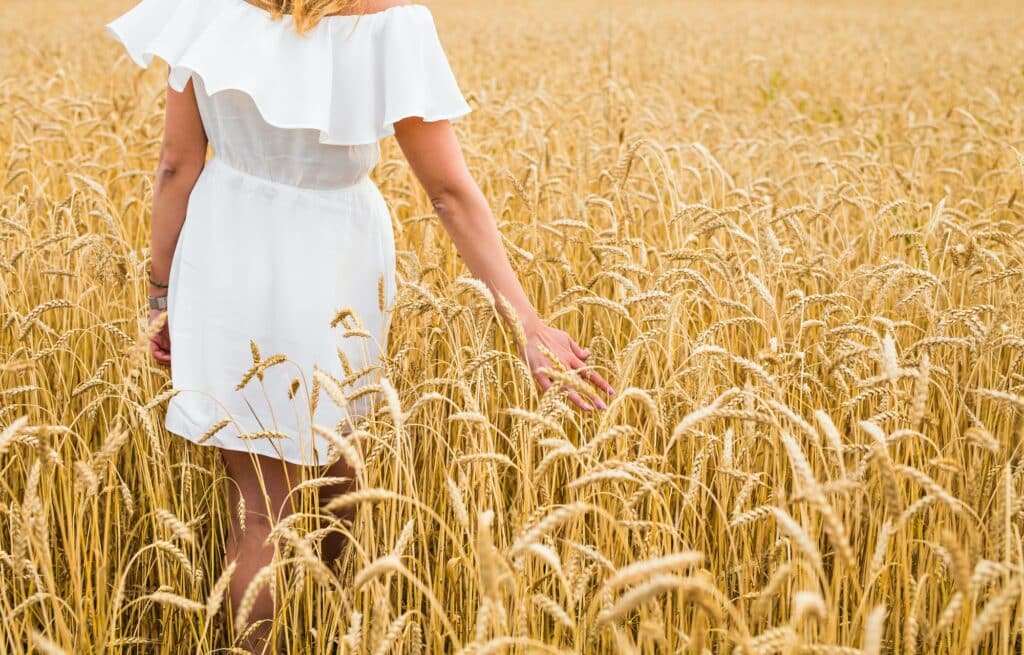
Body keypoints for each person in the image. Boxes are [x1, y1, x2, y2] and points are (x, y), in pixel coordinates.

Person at [106, 0, 615, 650]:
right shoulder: (390, 20)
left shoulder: (210, 7)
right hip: (336, 255)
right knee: (342, 467)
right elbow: (449, 193)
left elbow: (177, 165)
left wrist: (160, 291)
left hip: (223, 247)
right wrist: (526, 320)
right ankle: (323, 624)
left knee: (264, 508)